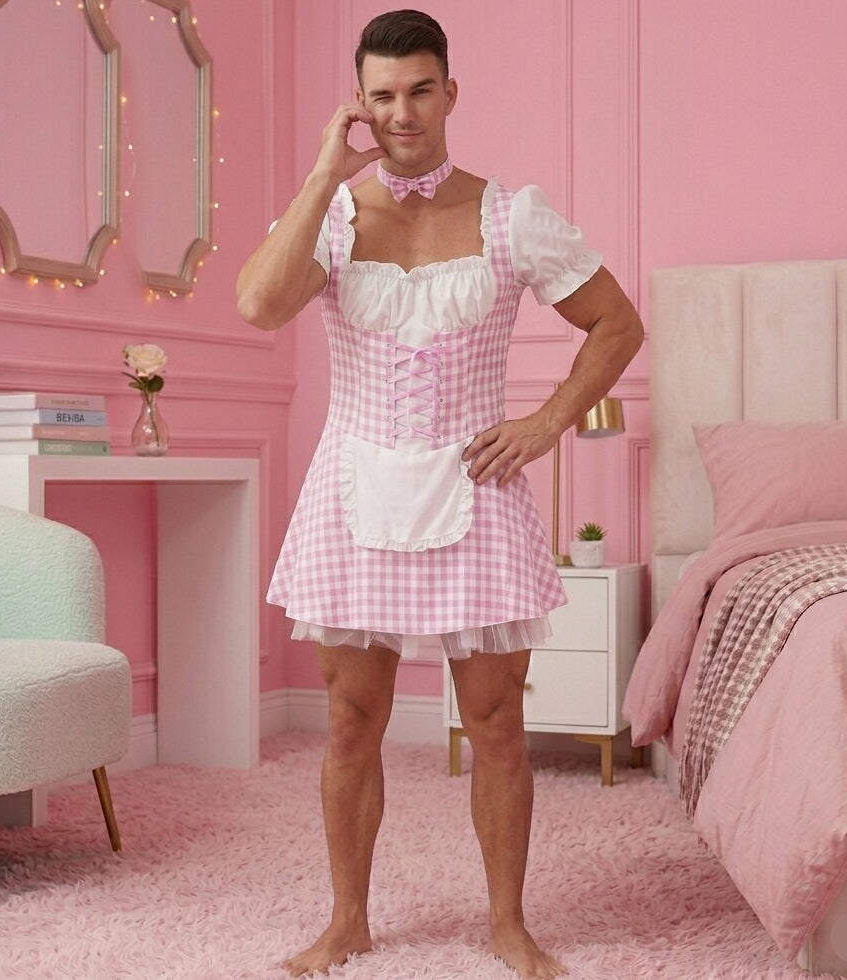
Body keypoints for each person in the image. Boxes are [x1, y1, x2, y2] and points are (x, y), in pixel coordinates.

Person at [236, 10, 643, 978]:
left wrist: (543, 425)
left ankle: (506, 920)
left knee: (497, 719)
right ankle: (347, 919)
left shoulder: (510, 213)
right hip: (354, 483)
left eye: (418, 89)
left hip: (474, 484)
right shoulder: (333, 216)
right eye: (380, 95)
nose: (401, 112)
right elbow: (257, 302)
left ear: (449, 92)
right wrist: (319, 178)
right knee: (348, 716)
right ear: (360, 103)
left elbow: (616, 325)